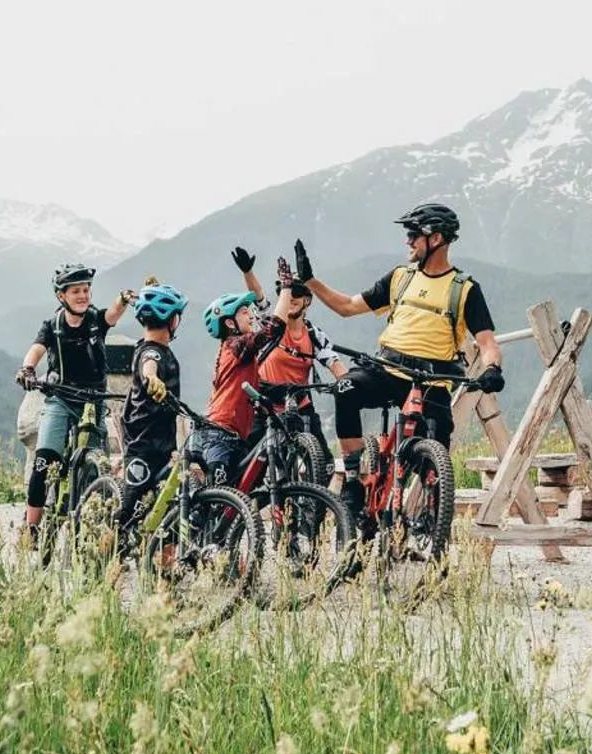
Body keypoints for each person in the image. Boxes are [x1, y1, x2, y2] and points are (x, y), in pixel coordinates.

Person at [292, 202, 506, 533]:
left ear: (435, 238)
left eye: (413, 235)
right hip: (386, 369)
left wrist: (493, 369)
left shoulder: (465, 289)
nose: (407, 241)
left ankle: (430, 521)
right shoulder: (400, 278)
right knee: (344, 388)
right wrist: (310, 280)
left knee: (434, 450)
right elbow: (347, 307)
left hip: (432, 380)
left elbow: (488, 342)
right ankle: (352, 481)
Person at [15, 263, 133, 538]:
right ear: (62, 296)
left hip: (93, 401)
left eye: (87, 290)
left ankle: (92, 525)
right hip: (61, 398)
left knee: (96, 463)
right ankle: (31, 527)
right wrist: (28, 369)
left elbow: (112, 315)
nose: (83, 295)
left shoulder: (95, 320)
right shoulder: (53, 326)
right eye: (76, 291)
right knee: (44, 461)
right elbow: (37, 349)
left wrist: (123, 299)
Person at [230, 247, 349, 459]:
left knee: (324, 463)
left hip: (299, 405)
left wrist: (348, 384)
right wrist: (247, 271)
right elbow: (259, 298)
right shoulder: (272, 324)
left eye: (298, 294)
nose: (292, 298)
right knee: (249, 466)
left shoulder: (314, 335)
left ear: (307, 300)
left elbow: (334, 363)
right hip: (264, 405)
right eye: (287, 294)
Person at [114, 282, 189, 561]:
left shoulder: (157, 348)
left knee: (168, 501)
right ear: (172, 320)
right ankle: (106, 555)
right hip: (142, 443)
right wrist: (152, 379)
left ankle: (164, 567)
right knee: (130, 503)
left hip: (162, 441)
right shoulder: (152, 352)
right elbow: (149, 367)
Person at [194, 285, 294, 486]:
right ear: (230, 323)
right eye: (243, 311)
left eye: (249, 309)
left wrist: (292, 388)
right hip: (219, 433)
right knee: (220, 497)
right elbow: (272, 329)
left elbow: (260, 386)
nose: (250, 314)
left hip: (234, 435)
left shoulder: (239, 356)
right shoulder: (236, 345)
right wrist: (286, 289)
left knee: (238, 496)